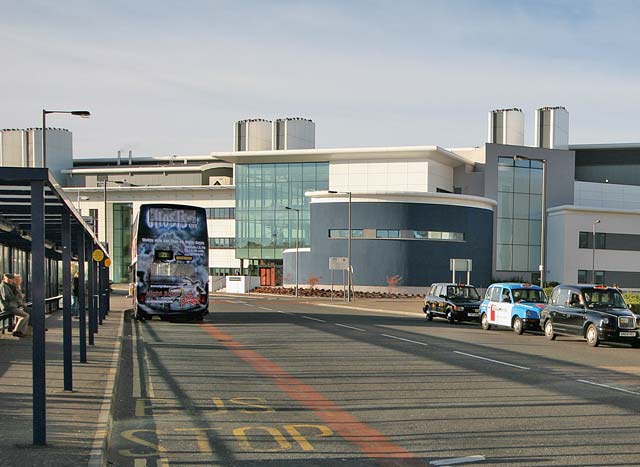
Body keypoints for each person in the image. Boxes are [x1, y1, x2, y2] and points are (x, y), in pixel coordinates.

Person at [0, 273, 30, 338]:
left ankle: (20, 331)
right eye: (8, 279)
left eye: (11, 279)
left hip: (12, 306)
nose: (10, 280)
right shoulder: (3, 286)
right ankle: (17, 331)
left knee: (26, 313)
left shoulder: (8, 286)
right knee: (26, 315)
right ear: (4, 278)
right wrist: (16, 297)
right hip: (9, 306)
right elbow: (6, 297)